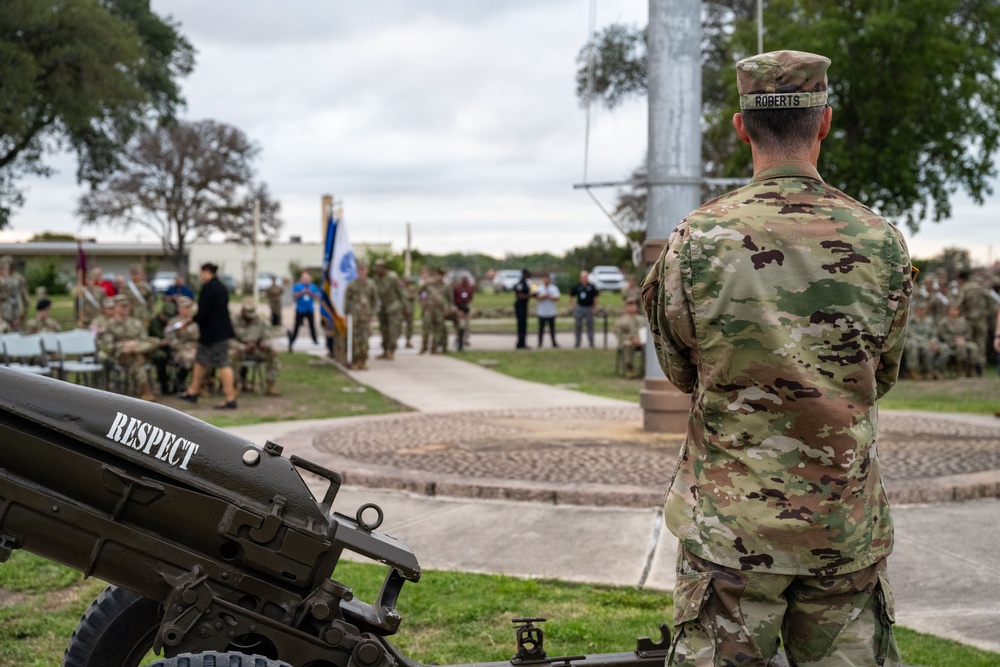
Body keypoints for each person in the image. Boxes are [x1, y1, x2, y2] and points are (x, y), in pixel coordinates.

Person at [643, 51, 910, 666]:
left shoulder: (698, 239)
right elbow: (882, 374)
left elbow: (681, 369)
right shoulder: (880, 240)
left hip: (730, 531)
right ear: (824, 123)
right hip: (843, 527)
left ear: (743, 127)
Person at [178, 262, 239, 409]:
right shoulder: (221, 287)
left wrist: (191, 320)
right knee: (201, 360)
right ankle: (193, 391)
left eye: (201, 273)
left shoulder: (208, 288)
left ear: (206, 272)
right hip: (218, 332)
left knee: (223, 363)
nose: (201, 276)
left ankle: (230, 398)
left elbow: (204, 312)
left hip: (214, 333)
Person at [98, 295, 157, 401]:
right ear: (115, 307)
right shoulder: (110, 325)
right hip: (120, 355)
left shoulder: (136, 323)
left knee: (152, 343)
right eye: (121, 306)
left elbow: (145, 339)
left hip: (138, 352)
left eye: (126, 306)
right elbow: (107, 346)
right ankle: (144, 390)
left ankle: (144, 390)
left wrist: (134, 345)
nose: (124, 309)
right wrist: (124, 345)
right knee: (137, 357)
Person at [231, 298, 281, 396]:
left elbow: (268, 338)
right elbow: (229, 340)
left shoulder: (261, 322)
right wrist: (242, 346)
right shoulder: (233, 321)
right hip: (241, 350)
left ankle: (270, 384)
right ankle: (234, 385)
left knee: (273, 355)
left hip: (257, 350)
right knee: (231, 356)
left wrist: (264, 344)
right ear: (242, 311)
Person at [344, 262, 379, 369]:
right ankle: (355, 361)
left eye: (363, 269)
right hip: (355, 316)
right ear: (357, 271)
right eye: (359, 270)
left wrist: (373, 313)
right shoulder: (352, 284)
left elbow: (375, 300)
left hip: (366, 316)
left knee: (365, 340)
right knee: (355, 340)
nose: (361, 272)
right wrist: (346, 314)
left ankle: (363, 361)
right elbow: (347, 299)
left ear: (367, 271)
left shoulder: (371, 284)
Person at [373, 260, 408, 360]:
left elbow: (400, 292)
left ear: (384, 268)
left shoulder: (392, 278)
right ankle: (384, 351)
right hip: (382, 308)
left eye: (380, 267)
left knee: (393, 330)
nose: (378, 270)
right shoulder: (376, 279)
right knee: (384, 330)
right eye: (377, 267)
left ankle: (391, 351)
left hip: (393, 307)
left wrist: (405, 307)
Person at [288, 271, 322, 352]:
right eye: (304, 278)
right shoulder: (298, 286)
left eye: (307, 278)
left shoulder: (313, 287)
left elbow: (317, 295)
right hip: (300, 309)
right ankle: (292, 339)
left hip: (309, 309)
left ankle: (315, 339)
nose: (306, 280)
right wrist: (302, 292)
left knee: (312, 325)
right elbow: (294, 295)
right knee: (297, 325)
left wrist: (310, 292)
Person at [614, 297, 644, 379]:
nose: (632, 307)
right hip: (628, 341)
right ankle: (629, 368)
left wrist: (640, 340)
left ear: (637, 306)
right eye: (629, 305)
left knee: (650, 348)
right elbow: (618, 333)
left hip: (641, 341)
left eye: (633, 304)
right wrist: (631, 339)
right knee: (627, 345)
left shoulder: (642, 319)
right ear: (626, 307)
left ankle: (646, 369)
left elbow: (646, 332)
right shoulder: (621, 320)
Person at [569, 270, 599, 348]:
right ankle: (577, 342)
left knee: (590, 326)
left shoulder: (591, 287)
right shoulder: (577, 286)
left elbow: (595, 297)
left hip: (589, 307)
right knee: (578, 326)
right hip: (580, 307)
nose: (584, 278)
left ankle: (591, 342)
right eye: (582, 277)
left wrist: (595, 307)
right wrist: (573, 306)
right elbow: (571, 295)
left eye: (585, 277)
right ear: (580, 278)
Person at [534, 273, 560, 348]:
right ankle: (540, 343)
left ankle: (554, 342)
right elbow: (536, 297)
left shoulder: (554, 288)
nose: (546, 281)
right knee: (541, 329)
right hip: (541, 312)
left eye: (547, 280)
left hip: (551, 312)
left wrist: (549, 297)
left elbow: (557, 298)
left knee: (552, 329)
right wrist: (544, 296)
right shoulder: (539, 288)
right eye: (544, 280)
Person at [452, 275, 474, 351]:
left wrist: (467, 303)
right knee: (459, 324)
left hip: (466, 306)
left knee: (467, 325)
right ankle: (458, 338)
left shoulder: (469, 288)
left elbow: (471, 297)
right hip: (459, 306)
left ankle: (465, 339)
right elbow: (453, 297)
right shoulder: (457, 288)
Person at [513, 269, 531, 349]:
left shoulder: (526, 283)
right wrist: (530, 296)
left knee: (524, 324)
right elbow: (519, 296)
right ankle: (520, 343)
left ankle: (522, 342)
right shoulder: (520, 284)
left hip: (524, 305)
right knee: (521, 324)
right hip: (520, 306)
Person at [402, 276, 418, 348]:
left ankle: (408, 341)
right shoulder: (400, 288)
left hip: (410, 310)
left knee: (410, 327)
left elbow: (413, 296)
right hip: (401, 310)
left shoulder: (412, 288)